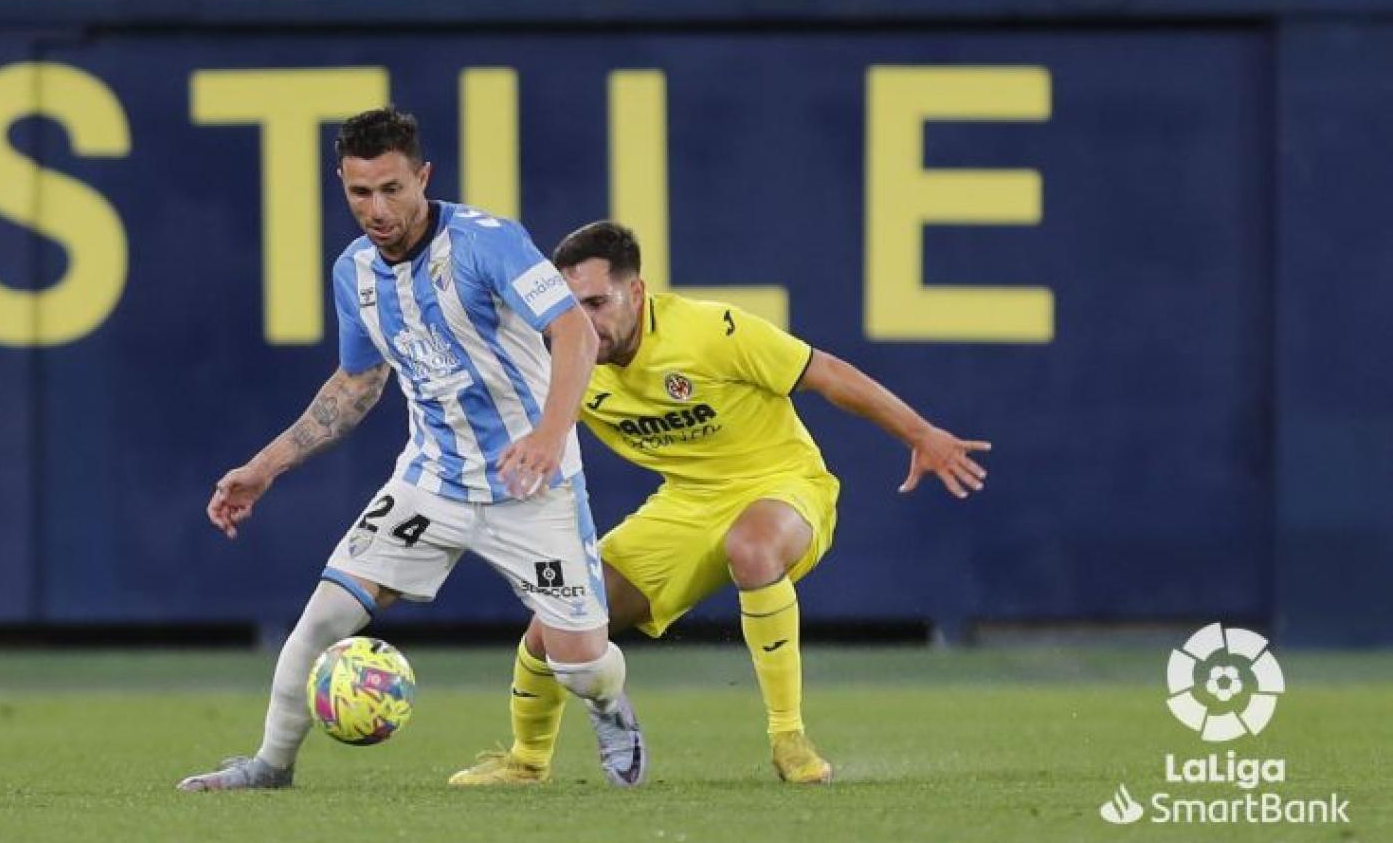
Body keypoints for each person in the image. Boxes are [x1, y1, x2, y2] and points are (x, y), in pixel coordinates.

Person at [177, 109, 647, 792]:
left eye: (392, 189)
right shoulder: (354, 272)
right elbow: (357, 383)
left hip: (530, 482)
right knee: (323, 619)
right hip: (431, 482)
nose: (377, 209)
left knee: (579, 665)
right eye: (360, 192)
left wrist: (549, 436)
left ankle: (609, 707)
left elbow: (575, 330)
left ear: (423, 177)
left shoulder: (488, 242)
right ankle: (270, 767)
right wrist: (264, 467)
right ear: (342, 185)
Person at [450, 221, 990, 787]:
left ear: (636, 292)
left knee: (751, 548)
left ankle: (789, 737)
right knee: (555, 624)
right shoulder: (565, 364)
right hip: (685, 504)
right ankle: (527, 761)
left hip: (783, 483)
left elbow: (827, 374)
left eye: (597, 303)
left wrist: (921, 434)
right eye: (570, 307)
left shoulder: (711, 331)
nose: (584, 322)